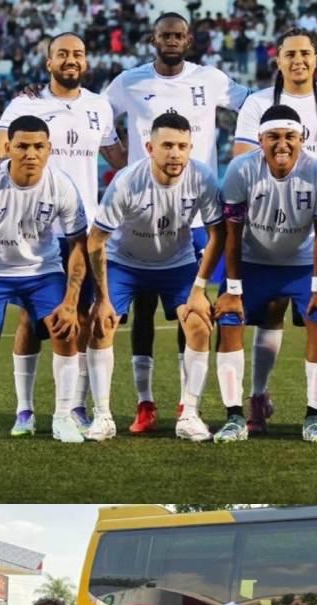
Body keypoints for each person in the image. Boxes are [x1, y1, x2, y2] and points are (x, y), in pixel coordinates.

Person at [102, 11, 249, 434]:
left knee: (193, 308)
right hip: (144, 206)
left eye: (178, 35)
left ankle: (189, 404)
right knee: (144, 308)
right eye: (165, 35)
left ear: (188, 40)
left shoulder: (211, 79)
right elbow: (95, 116)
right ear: (154, 38)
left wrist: (316, 92)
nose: (171, 40)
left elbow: (255, 105)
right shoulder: (129, 81)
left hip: (197, 211)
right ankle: (145, 403)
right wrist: (122, 162)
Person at [0, 32, 120, 437]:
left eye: (78, 53)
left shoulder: (99, 106)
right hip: (35, 228)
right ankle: (24, 410)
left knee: (80, 317)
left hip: (84, 229)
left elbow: (118, 158)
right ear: (49, 62)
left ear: (86, 61)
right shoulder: (25, 103)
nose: (70, 60)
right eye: (62, 54)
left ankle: (74, 406)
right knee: (30, 316)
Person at [232, 29, 317, 435]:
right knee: (270, 311)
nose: (298, 60)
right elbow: (242, 157)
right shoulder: (257, 103)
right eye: (290, 54)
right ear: (278, 59)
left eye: (305, 53)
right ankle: (258, 395)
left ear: (316, 58)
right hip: (268, 224)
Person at [85, 111, 225, 442]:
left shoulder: (202, 177)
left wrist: (199, 289)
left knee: (199, 323)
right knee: (101, 323)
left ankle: (189, 414)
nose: (175, 153)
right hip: (125, 264)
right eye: (167, 145)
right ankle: (102, 416)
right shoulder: (127, 181)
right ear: (150, 148)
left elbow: (218, 234)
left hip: (177, 264)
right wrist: (102, 298)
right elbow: (96, 240)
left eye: (182, 146)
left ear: (191, 149)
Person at [217, 105, 317, 443]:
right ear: (260, 139)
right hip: (253, 261)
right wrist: (232, 290)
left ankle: (314, 416)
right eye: (273, 136)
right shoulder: (241, 168)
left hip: (302, 263)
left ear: (303, 139)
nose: (282, 144)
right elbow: (231, 233)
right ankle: (237, 415)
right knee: (229, 320)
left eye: (290, 136)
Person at [0, 114, 88, 443]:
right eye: (22, 146)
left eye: (38, 147)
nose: (31, 153)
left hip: (42, 271)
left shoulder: (62, 186)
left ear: (49, 149)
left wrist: (71, 302)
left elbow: (79, 245)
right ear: (8, 148)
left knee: (66, 329)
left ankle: (62, 417)